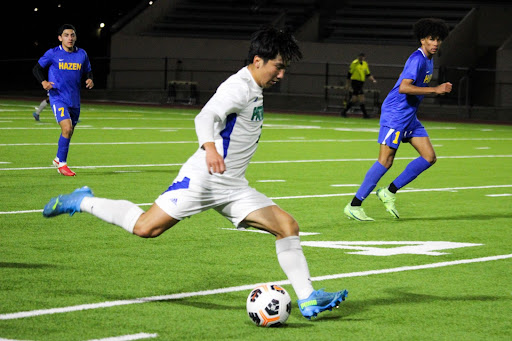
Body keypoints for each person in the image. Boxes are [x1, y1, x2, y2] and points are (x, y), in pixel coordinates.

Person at [42, 26, 348, 320]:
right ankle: (83, 200)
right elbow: (206, 116)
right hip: (204, 179)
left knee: (287, 225)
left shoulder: (255, 86)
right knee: (146, 228)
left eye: (285, 68)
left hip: (233, 184)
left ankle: (307, 297)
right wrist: (211, 148)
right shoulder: (237, 88)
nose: (282, 74)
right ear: (258, 61)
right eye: (278, 67)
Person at [343, 18, 452, 221]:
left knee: (429, 157)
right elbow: (404, 87)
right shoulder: (417, 59)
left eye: (438, 39)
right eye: (431, 39)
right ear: (422, 40)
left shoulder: (429, 59)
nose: (436, 43)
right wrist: (435, 89)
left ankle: (389, 191)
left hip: (409, 115)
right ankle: (354, 205)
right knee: (385, 161)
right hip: (396, 114)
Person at [32, 24, 94, 176]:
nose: (70, 38)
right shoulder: (53, 53)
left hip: (74, 99)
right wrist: (43, 82)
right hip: (58, 97)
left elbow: (88, 71)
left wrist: (90, 79)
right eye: (66, 35)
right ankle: (62, 164)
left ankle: (58, 158)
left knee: (69, 131)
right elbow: (36, 69)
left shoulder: (82, 54)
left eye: (72, 35)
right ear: (60, 38)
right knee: (66, 128)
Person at [341, 52, 377, 118]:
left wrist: (373, 80)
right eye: (360, 56)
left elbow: (368, 74)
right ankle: (365, 115)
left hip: (361, 83)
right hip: (355, 82)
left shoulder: (365, 64)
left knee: (354, 99)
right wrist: (347, 84)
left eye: (362, 56)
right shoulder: (354, 63)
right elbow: (349, 74)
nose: (361, 58)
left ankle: (344, 112)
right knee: (361, 98)